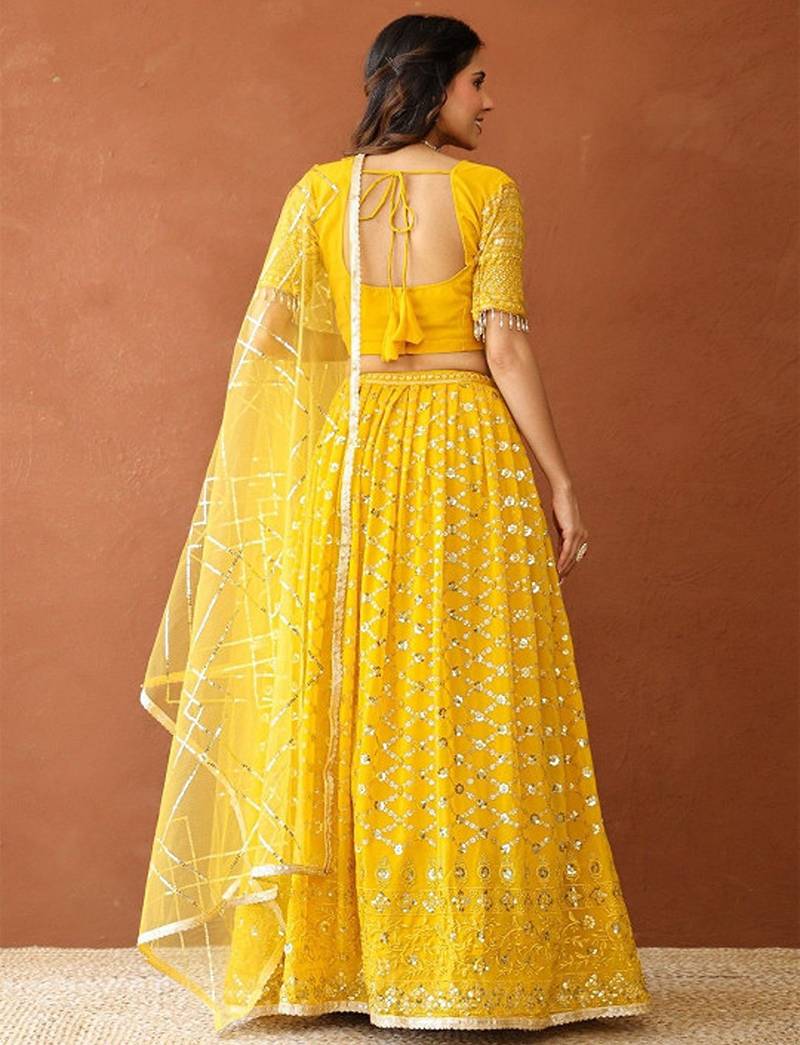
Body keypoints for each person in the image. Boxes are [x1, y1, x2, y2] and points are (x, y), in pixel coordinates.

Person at [136, 13, 653, 1035]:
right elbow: (504, 347)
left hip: (356, 452)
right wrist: (559, 479)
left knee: (353, 688)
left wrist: (341, 396)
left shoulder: (319, 195)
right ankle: (474, 968)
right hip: (466, 449)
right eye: (477, 83)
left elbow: (268, 342)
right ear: (431, 84)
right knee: (475, 687)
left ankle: (342, 964)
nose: (489, 102)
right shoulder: (488, 194)